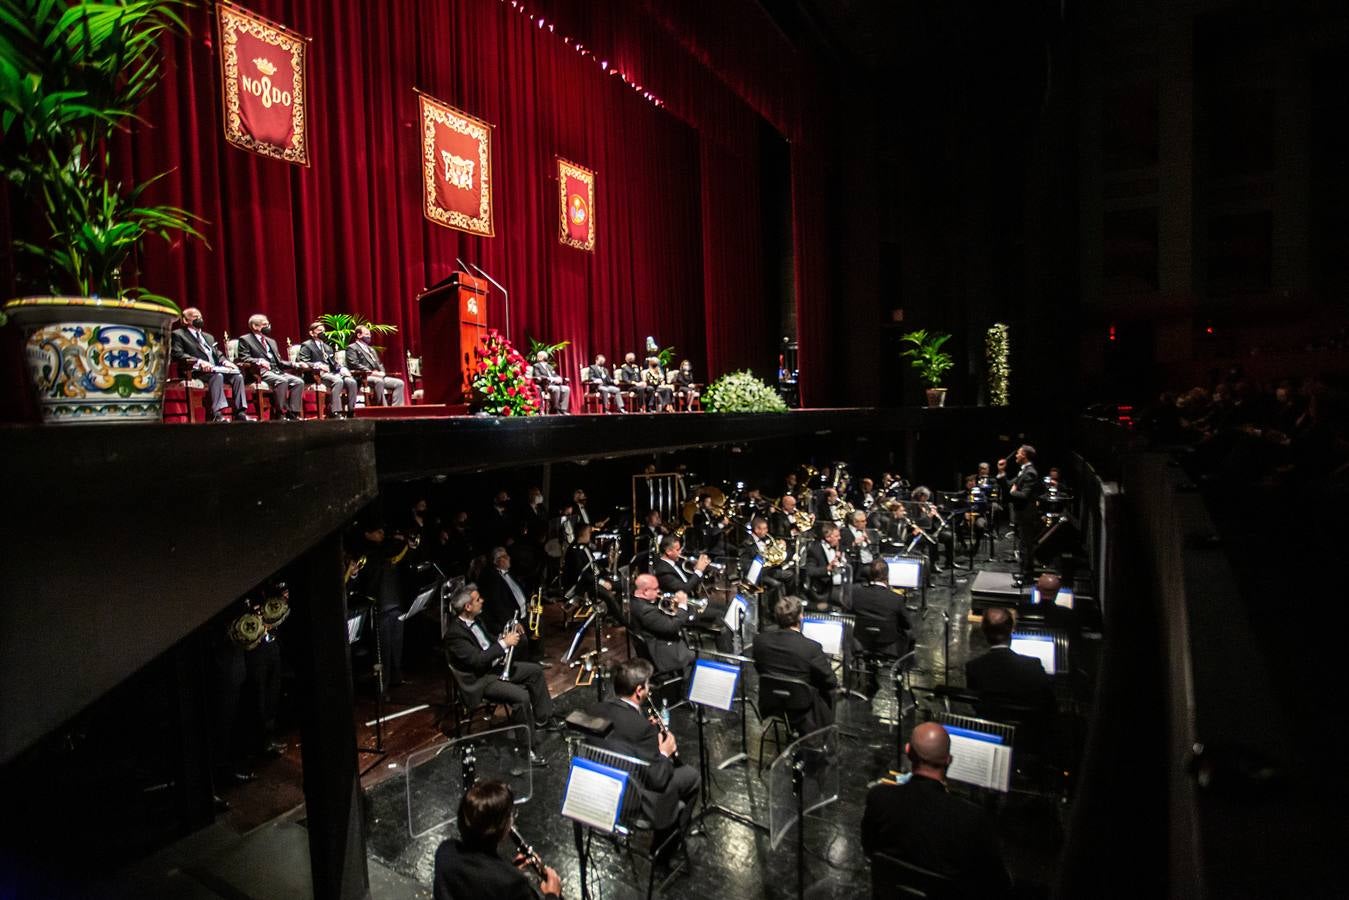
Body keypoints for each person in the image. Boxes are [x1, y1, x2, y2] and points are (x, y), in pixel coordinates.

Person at [861, 722, 1012, 897]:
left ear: (908, 751)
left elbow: (869, 849)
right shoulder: (974, 819)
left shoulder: (879, 797)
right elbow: (998, 884)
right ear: (949, 760)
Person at [587, 658, 700, 857]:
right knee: (691, 776)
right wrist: (664, 751)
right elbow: (658, 778)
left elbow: (621, 737)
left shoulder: (595, 710)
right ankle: (666, 849)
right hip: (632, 800)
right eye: (648, 685)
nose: (649, 689)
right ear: (639, 690)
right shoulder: (643, 729)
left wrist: (644, 729)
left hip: (601, 788)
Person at [443, 585, 559, 744]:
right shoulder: (455, 634)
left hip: (494, 669)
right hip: (481, 680)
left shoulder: (476, 620)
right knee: (521, 696)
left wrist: (502, 637)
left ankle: (543, 719)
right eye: (478, 600)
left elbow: (487, 641)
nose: (482, 601)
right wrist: (504, 643)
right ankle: (527, 748)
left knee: (535, 671)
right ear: (468, 607)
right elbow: (477, 660)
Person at [433, 780, 562, 900]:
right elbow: (495, 883)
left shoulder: (445, 852)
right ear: (502, 830)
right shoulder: (513, 884)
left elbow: (477, 883)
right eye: (511, 816)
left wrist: (508, 869)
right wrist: (552, 894)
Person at [751, 596, 838, 733]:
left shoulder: (760, 641)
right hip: (802, 707)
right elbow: (831, 681)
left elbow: (759, 667)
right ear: (801, 617)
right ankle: (825, 734)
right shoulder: (811, 648)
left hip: (771, 703)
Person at [964, 606, 1054, 717]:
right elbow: (1049, 704)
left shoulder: (973, 667)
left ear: (983, 630)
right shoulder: (1033, 665)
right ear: (1012, 629)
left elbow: (976, 706)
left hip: (990, 726)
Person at [170, 307, 252, 422]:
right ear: (185, 320)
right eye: (195, 317)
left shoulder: (208, 336)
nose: (199, 319)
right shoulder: (178, 334)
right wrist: (199, 361)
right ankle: (217, 414)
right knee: (217, 376)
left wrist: (225, 361)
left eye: (200, 317)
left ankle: (241, 412)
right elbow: (177, 354)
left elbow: (217, 353)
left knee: (237, 376)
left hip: (215, 368)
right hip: (195, 370)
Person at [235, 313, 305, 421]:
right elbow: (244, 358)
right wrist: (258, 361)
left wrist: (293, 364)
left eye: (268, 324)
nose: (268, 327)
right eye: (264, 324)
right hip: (259, 372)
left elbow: (278, 362)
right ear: (255, 326)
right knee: (282, 381)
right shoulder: (245, 339)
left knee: (298, 382)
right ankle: (280, 413)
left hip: (276, 371)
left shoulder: (271, 341)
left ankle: (293, 413)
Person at [628, 573, 696, 675]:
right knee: (703, 656)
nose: (659, 591)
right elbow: (672, 627)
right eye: (655, 589)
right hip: (664, 654)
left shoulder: (635, 602)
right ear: (645, 591)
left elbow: (661, 620)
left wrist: (675, 609)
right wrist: (682, 606)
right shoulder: (645, 611)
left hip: (660, 644)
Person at [847, 560, 910, 659]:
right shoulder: (897, 598)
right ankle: (903, 666)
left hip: (861, 640)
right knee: (909, 634)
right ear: (887, 576)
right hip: (887, 643)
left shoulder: (854, 593)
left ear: (870, 574)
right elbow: (907, 624)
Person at [296, 320, 359, 418]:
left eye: (323, 331)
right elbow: (302, 361)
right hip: (317, 375)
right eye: (319, 330)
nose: (322, 333)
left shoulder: (327, 347)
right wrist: (317, 365)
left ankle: (351, 411)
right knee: (338, 381)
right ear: (311, 333)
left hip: (331, 374)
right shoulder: (307, 345)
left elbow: (333, 363)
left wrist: (342, 368)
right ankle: (335, 411)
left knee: (351, 382)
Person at [563, 524, 619, 620]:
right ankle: (620, 618)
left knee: (620, 584)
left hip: (592, 580)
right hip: (582, 586)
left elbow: (591, 565)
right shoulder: (575, 551)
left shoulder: (584, 547)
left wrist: (607, 561)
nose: (590, 535)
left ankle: (612, 614)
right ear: (583, 533)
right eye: (589, 533)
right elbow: (582, 574)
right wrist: (602, 582)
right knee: (609, 596)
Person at [1005, 444, 1044, 581]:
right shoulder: (1024, 471)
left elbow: (1024, 495)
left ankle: (1027, 575)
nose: (1016, 455)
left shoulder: (1030, 472)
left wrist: (1013, 492)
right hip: (1022, 514)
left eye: (1018, 453)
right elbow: (1009, 484)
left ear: (1024, 456)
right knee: (1023, 544)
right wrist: (1001, 472)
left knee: (1027, 545)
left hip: (1027, 514)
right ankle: (1023, 572)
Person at [345, 325, 406, 406]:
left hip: (377, 376)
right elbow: (354, 364)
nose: (369, 336)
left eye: (370, 334)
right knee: (379, 381)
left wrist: (382, 373)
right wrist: (371, 372)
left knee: (399, 383)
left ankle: (396, 409)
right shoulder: (352, 348)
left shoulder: (371, 349)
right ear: (359, 335)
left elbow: (379, 363)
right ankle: (383, 409)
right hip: (363, 377)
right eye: (366, 334)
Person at [803, 523, 848, 608]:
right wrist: (828, 568)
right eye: (837, 536)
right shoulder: (814, 549)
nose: (840, 538)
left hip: (841, 588)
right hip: (823, 590)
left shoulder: (839, 546)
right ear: (828, 538)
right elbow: (810, 571)